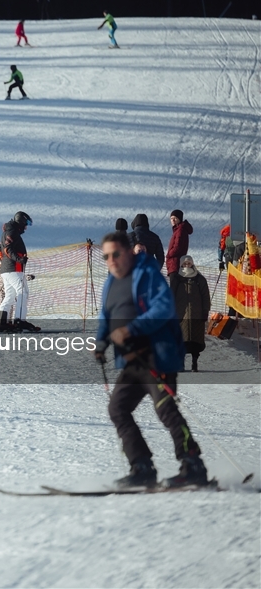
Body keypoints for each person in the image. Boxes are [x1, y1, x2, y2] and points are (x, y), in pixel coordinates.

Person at [94, 231, 208, 489]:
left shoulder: (147, 274)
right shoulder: (111, 282)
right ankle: (142, 467)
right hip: (133, 361)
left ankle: (193, 465)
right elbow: (106, 315)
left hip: (158, 356)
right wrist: (101, 342)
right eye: (106, 256)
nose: (111, 260)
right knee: (118, 409)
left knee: (165, 409)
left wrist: (131, 329)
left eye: (115, 254)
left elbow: (163, 308)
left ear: (128, 252)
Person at [0, 211, 37, 332]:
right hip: (14, 268)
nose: (26, 227)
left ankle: (1, 322)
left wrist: (5, 262)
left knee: (10, 295)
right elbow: (7, 249)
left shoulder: (8, 232)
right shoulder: (12, 232)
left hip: (8, 269)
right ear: (21, 221)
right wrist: (19, 259)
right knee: (23, 291)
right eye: (26, 223)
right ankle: (19, 321)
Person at [171, 255, 210, 372]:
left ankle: (194, 363)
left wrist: (205, 311)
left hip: (196, 314)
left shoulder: (199, 279)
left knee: (195, 341)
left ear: (192, 264)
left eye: (189, 263)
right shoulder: (176, 279)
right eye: (184, 264)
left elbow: (205, 296)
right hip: (180, 314)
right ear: (181, 265)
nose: (187, 265)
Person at [166, 209, 193, 282]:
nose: (173, 220)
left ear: (179, 219)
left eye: (175, 218)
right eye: (171, 218)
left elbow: (178, 246)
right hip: (176, 263)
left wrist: (169, 254)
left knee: (174, 286)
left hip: (175, 262)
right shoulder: (178, 230)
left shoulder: (180, 230)